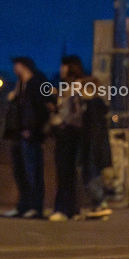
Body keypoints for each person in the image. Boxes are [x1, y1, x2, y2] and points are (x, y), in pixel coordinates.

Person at [2, 57, 50, 219]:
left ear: (24, 66)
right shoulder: (20, 85)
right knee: (20, 172)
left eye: (17, 65)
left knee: (33, 172)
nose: (15, 69)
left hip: (31, 134)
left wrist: (34, 128)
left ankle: (36, 207)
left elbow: (43, 108)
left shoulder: (37, 82)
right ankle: (23, 206)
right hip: (17, 133)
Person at [49, 55, 85, 221]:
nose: (61, 69)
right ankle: (71, 209)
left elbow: (77, 114)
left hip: (69, 133)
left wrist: (59, 120)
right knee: (67, 172)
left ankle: (64, 209)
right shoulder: (68, 87)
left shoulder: (76, 87)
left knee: (66, 172)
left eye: (64, 66)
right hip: (67, 133)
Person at [77, 73, 114, 218]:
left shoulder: (92, 106)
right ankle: (99, 206)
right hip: (96, 148)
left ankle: (99, 204)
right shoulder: (96, 105)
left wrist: (90, 149)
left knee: (91, 177)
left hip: (92, 148)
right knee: (94, 176)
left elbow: (92, 131)